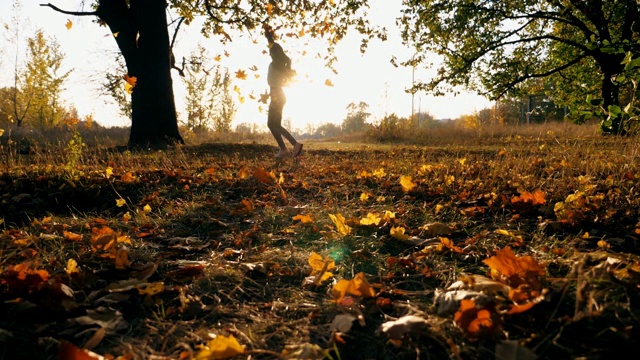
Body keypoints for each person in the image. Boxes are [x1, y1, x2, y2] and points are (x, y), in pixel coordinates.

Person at [265, 27, 303, 159]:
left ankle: (285, 149)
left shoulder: (275, 64)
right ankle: (293, 145)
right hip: (279, 95)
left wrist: (269, 36)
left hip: (277, 95)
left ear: (274, 53)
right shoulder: (280, 64)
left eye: (271, 52)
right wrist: (268, 36)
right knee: (275, 124)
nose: (269, 53)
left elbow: (272, 46)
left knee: (271, 124)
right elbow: (273, 47)